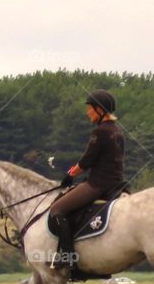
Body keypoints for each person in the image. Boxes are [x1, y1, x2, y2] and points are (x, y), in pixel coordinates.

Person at [48, 89, 126, 269]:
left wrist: (70, 175)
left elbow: (87, 160)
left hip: (98, 184)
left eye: (90, 108)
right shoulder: (117, 131)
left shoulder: (100, 132)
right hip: (117, 182)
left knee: (57, 209)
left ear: (99, 110)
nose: (87, 112)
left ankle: (67, 256)